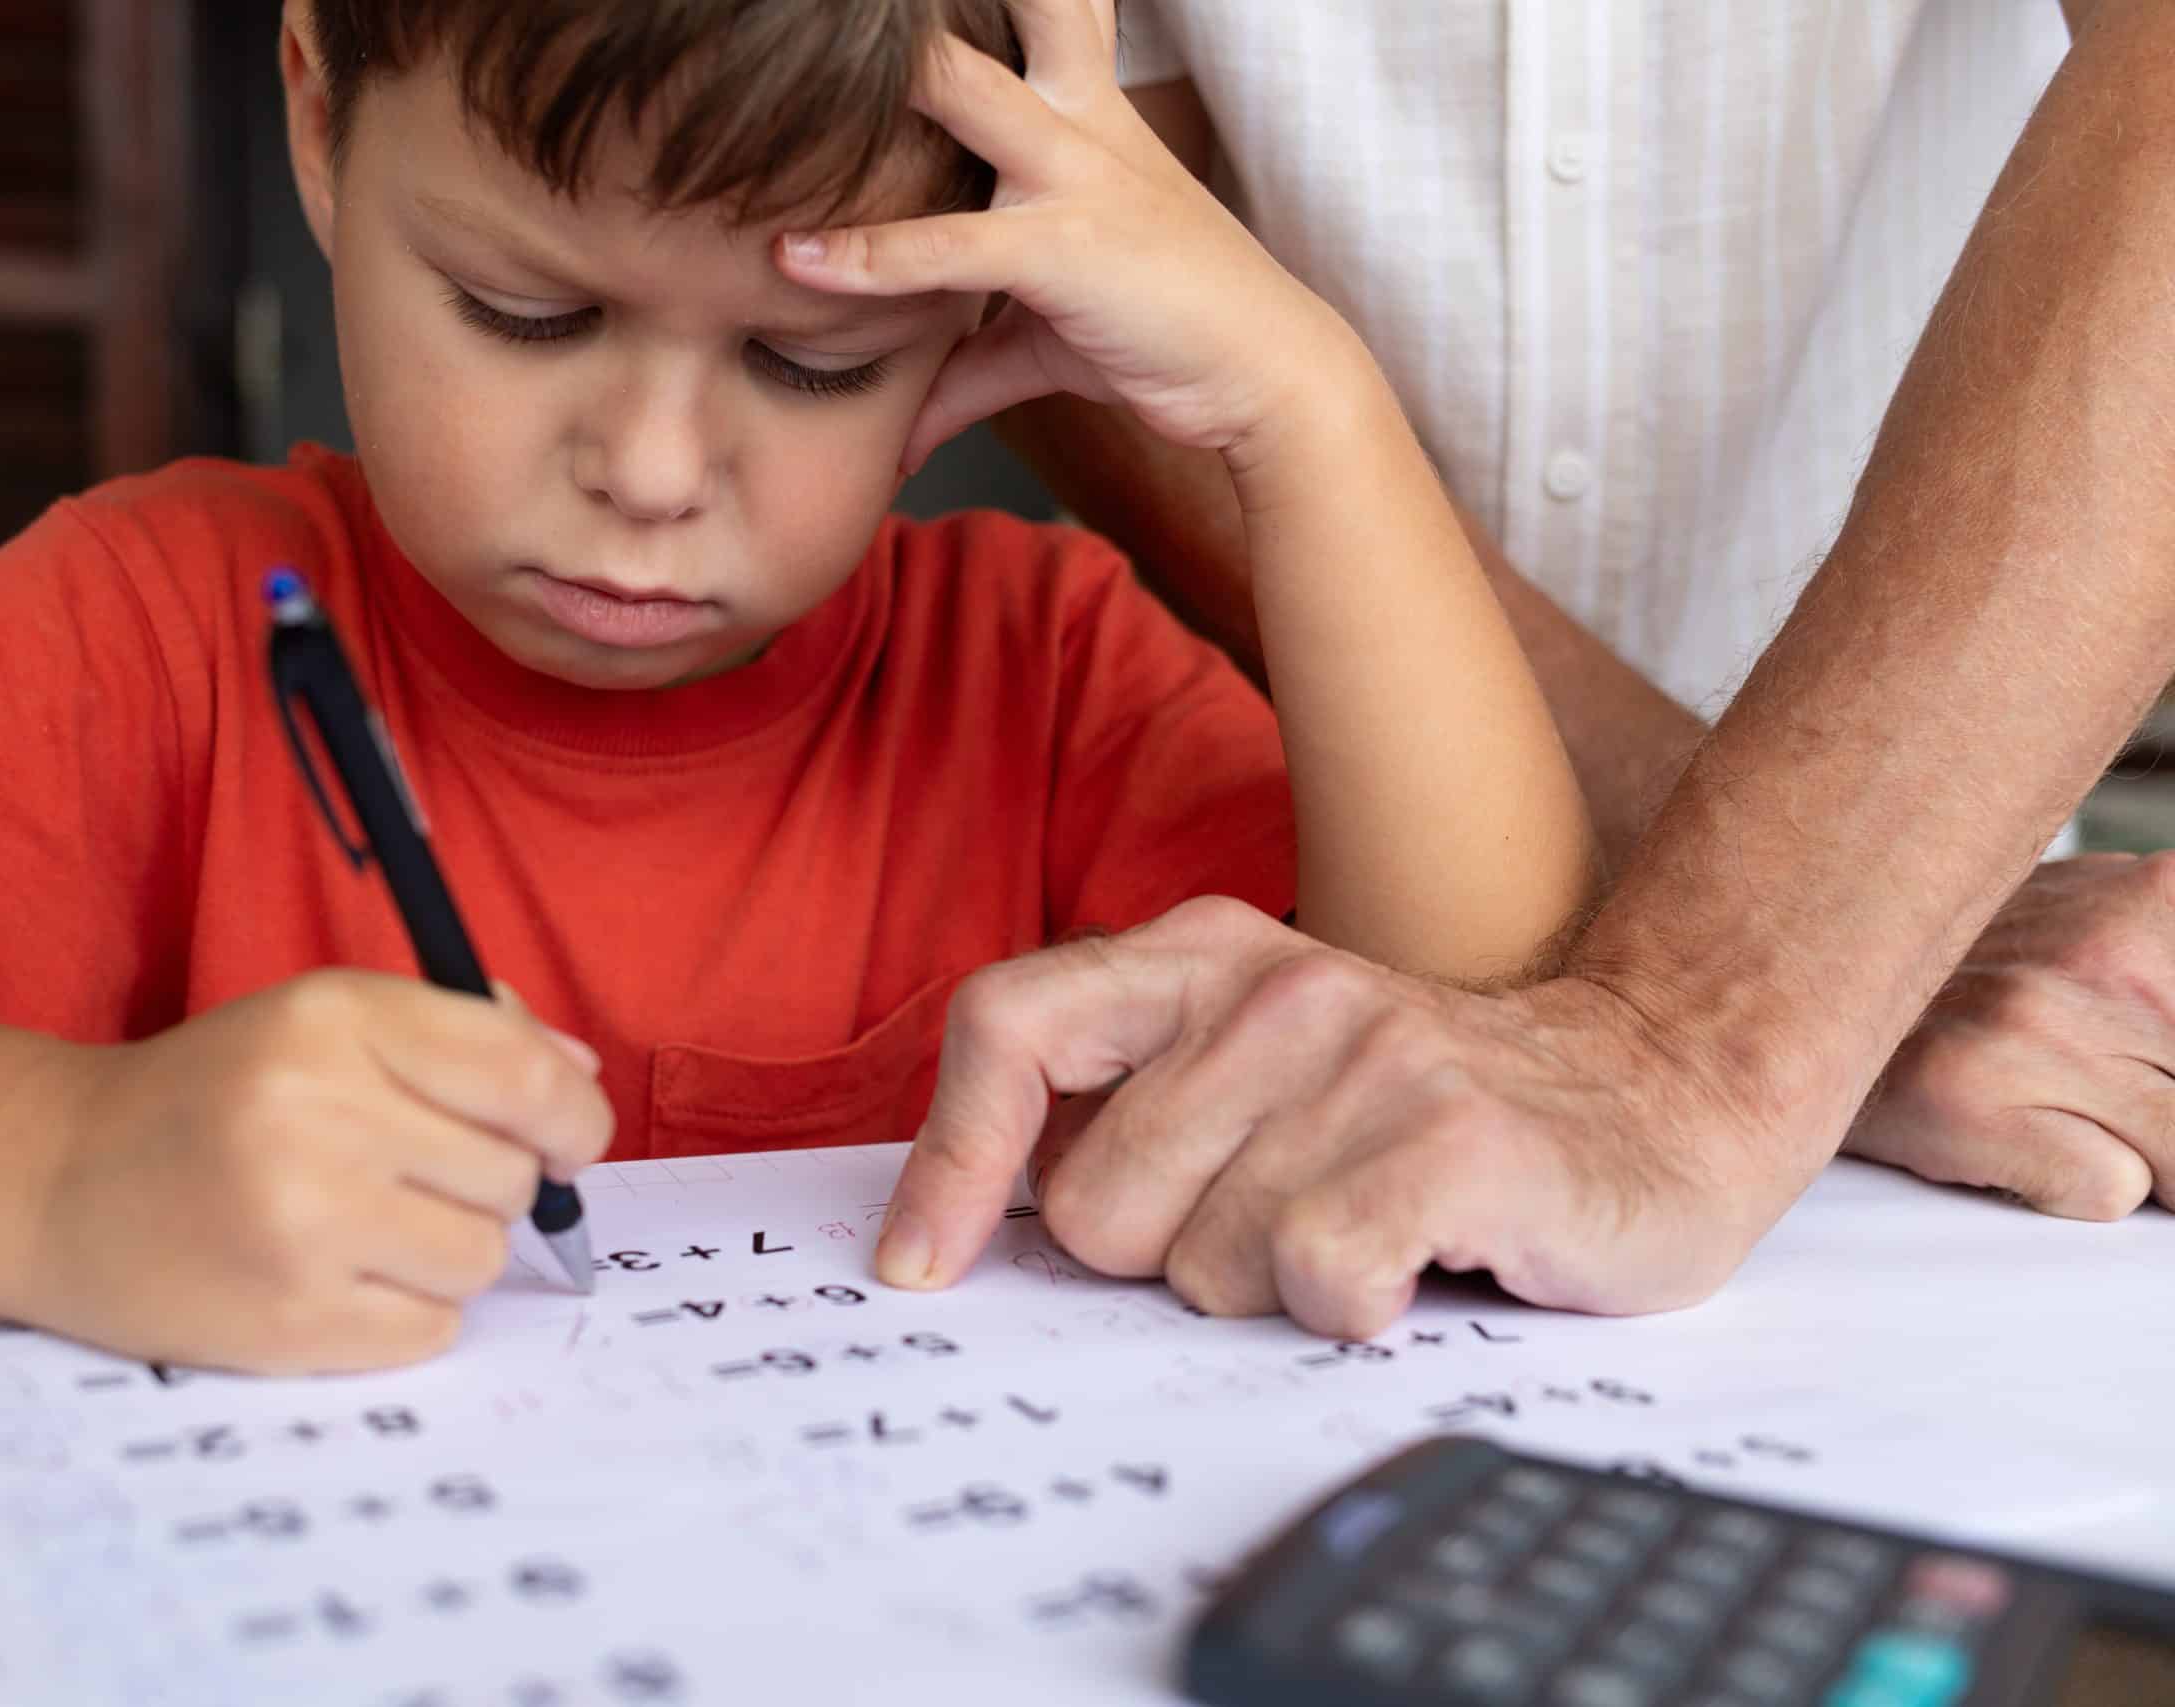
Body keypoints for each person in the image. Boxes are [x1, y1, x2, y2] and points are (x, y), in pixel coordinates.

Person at [0, 0, 1595, 1372]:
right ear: (317, 114)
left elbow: (1480, 1050)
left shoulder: (1040, 672)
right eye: (526, 311)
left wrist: (1303, 412)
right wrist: (54, 1170)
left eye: (809, 362)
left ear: (993, 301)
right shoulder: (148, 633)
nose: (650, 472)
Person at [822, 0, 2175, 1330]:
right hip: (1382, 941)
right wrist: (1757, 983)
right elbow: (1071, 219)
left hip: (1945, 991)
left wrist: (1741, 1006)